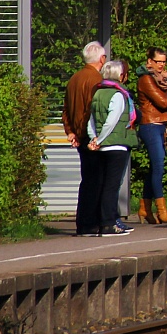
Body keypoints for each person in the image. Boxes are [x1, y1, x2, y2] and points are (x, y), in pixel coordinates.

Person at [87, 59, 139, 235]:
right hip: (116, 145)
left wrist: (93, 138)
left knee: (102, 184)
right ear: (119, 75)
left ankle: (100, 222)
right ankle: (109, 223)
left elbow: (91, 120)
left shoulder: (98, 93)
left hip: (101, 147)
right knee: (112, 185)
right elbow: (112, 121)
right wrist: (100, 139)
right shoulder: (118, 95)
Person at [63, 41, 106, 237]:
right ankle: (90, 223)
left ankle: (83, 222)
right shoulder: (97, 79)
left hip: (79, 136)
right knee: (96, 180)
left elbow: (66, 109)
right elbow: (95, 110)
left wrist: (70, 131)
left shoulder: (74, 78)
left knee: (87, 179)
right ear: (102, 59)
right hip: (92, 136)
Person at [135, 47, 167, 224]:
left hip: (161, 125)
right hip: (150, 125)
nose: (161, 65)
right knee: (158, 166)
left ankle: (144, 208)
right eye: (158, 61)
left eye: (163, 62)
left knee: (155, 168)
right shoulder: (146, 79)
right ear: (150, 61)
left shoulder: (161, 80)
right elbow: (163, 102)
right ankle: (162, 210)